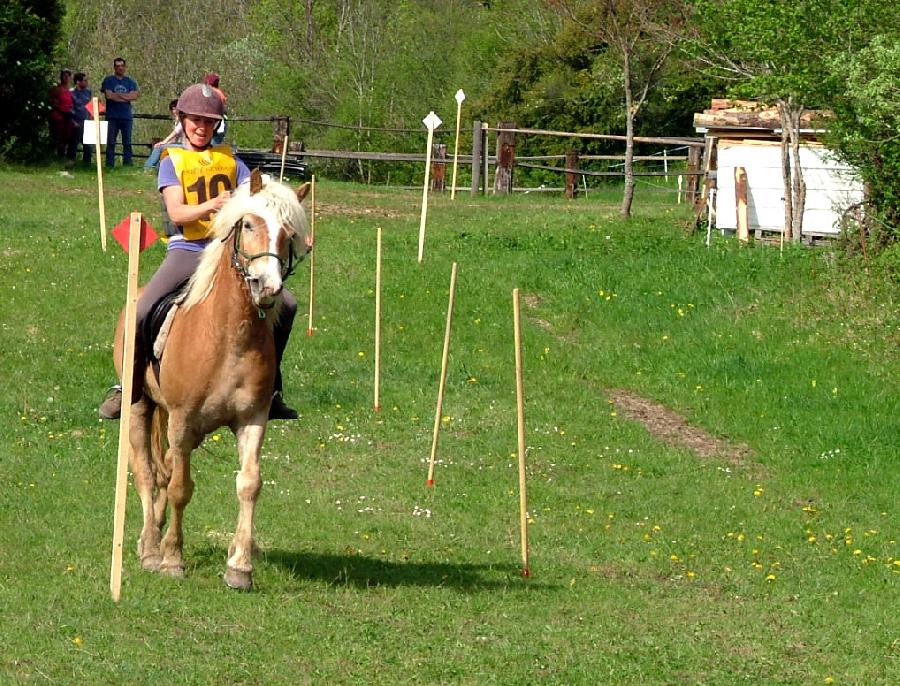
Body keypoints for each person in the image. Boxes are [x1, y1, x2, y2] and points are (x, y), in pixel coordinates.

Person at [99, 83, 301, 421]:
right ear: (182, 118)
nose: (201, 127)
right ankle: (128, 386)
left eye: (209, 122)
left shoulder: (231, 162)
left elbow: (258, 205)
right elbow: (177, 213)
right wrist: (214, 204)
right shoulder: (171, 160)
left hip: (226, 254)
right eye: (195, 120)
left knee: (289, 304)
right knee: (142, 308)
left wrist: (291, 228)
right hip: (187, 250)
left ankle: (272, 387)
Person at [100, 57, 139, 167]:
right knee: (111, 142)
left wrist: (117, 96)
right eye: (117, 66)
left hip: (126, 116)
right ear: (114, 68)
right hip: (112, 116)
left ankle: (127, 164)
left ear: (125, 67)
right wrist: (126, 97)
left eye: (122, 66)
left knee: (127, 142)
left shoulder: (130, 81)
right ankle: (109, 164)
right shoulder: (108, 80)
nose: (120, 68)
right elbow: (109, 95)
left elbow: (134, 96)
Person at [144, 99, 182, 171]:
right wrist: (165, 143)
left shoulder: (184, 120)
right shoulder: (177, 121)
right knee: (160, 146)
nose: (174, 111)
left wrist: (164, 142)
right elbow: (174, 139)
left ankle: (147, 168)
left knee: (159, 147)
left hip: (184, 145)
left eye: (176, 108)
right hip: (178, 144)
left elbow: (175, 132)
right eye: (173, 109)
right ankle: (157, 169)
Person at [48, 69, 76, 160]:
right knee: (56, 139)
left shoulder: (70, 91)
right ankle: (51, 158)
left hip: (67, 119)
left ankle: (62, 159)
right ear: (61, 77)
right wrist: (63, 111)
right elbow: (53, 103)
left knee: (65, 140)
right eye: (64, 75)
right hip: (58, 118)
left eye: (68, 76)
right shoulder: (56, 89)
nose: (66, 78)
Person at [70, 72, 94, 165]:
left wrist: (91, 116)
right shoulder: (71, 93)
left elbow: (90, 105)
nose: (87, 82)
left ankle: (87, 164)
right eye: (85, 80)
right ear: (78, 81)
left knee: (88, 146)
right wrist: (72, 121)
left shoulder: (88, 92)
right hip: (76, 121)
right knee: (73, 144)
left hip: (87, 121)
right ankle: (71, 163)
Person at [205, 73, 228, 145]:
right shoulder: (218, 93)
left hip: (216, 123)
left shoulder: (211, 92)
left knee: (211, 147)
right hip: (216, 122)